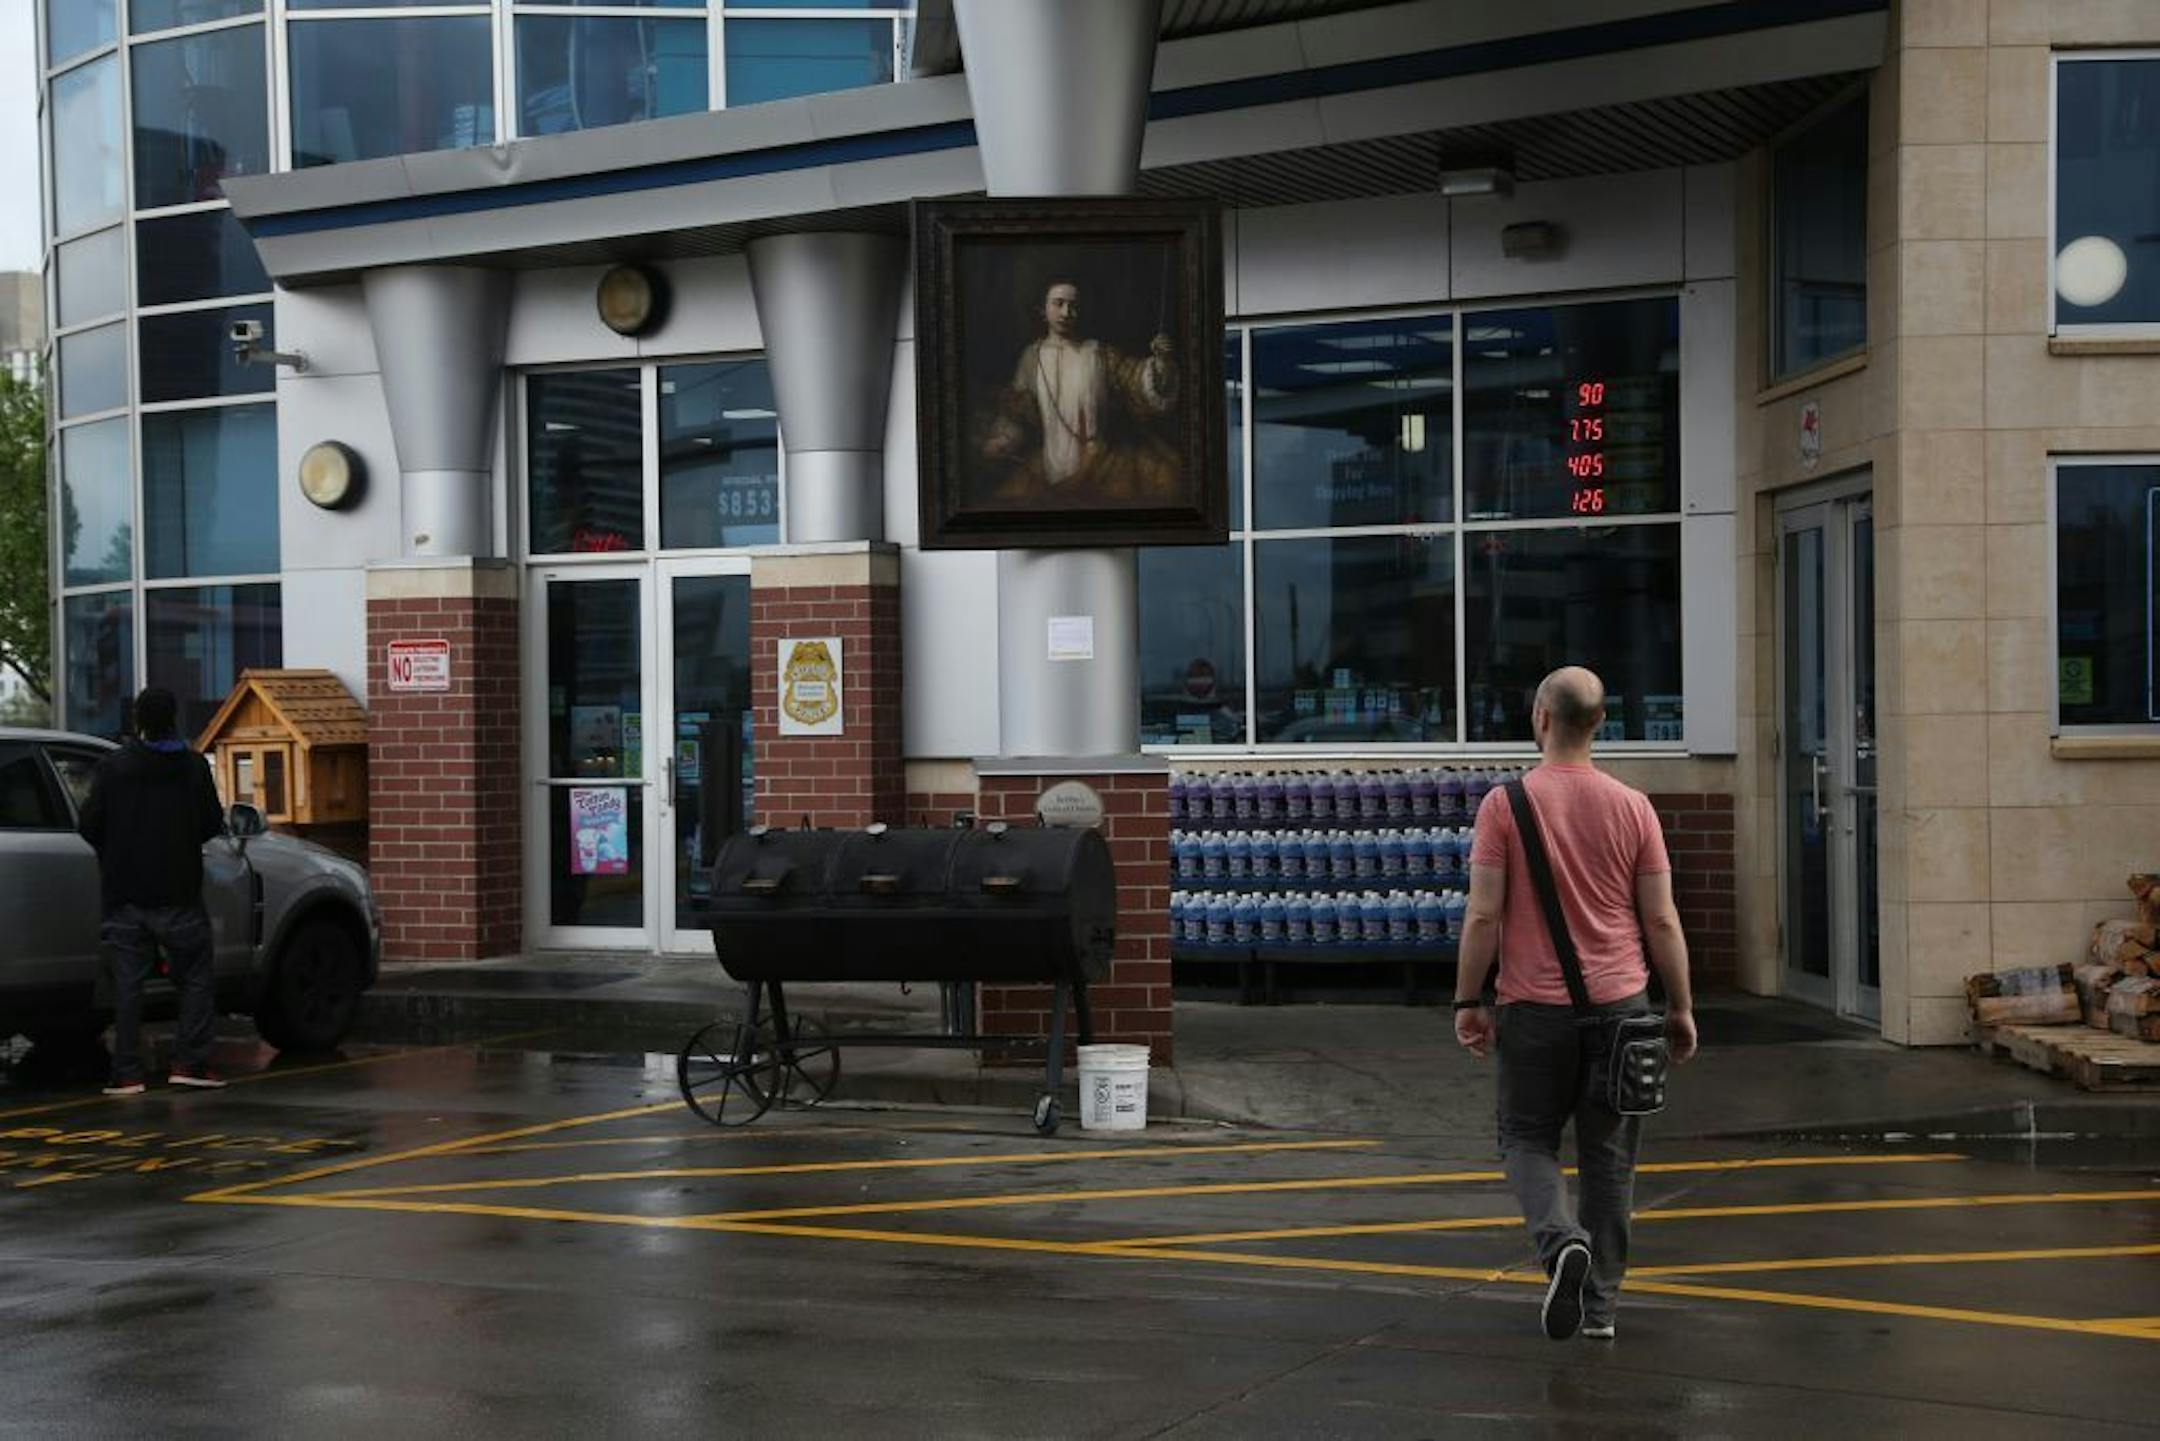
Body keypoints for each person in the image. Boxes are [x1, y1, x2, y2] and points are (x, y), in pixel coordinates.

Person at [1451, 666, 1696, 1341]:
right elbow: (1663, 921)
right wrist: (1680, 1007)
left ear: (1540, 717)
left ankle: (1560, 1244)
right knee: (1609, 1159)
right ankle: (1600, 1310)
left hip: (1531, 1010)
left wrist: (1468, 999)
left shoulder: (1505, 806)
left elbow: (1482, 915)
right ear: (1600, 724)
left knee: (1526, 1138)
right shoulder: (1634, 807)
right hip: (1622, 1010)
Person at [77, 686, 230, 1095]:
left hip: (125, 894)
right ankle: (190, 1063)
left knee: (128, 986)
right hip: (179, 892)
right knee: (195, 978)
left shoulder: (113, 767)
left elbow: (88, 824)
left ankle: (126, 1072)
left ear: (138, 722)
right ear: (174, 717)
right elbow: (212, 824)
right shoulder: (194, 768)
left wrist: (116, 851)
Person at [981, 279, 1179, 501]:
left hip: (1103, 464)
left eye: (1073, 305)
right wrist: (1003, 440)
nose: (1066, 312)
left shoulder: (1098, 353)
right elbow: (1018, 412)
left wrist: (1160, 363)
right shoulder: (1031, 357)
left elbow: (1136, 382)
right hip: (1050, 467)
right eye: (1058, 303)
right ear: (1042, 309)